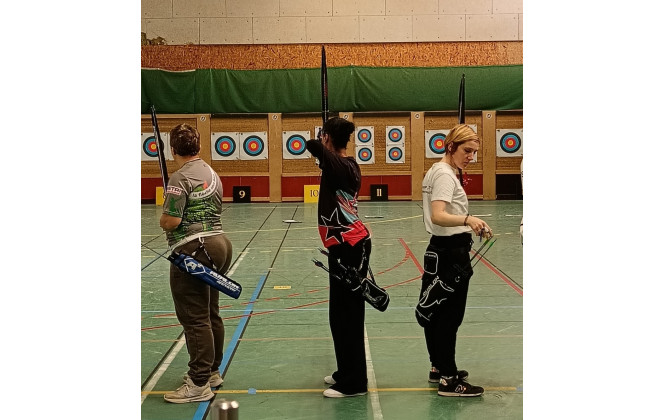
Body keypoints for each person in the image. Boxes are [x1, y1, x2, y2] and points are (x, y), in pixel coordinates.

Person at [159, 123, 233, 403]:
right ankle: (211, 371)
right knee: (210, 312)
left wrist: (163, 216)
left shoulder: (180, 177)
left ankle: (199, 382)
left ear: (173, 150)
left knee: (194, 317)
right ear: (199, 146)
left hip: (193, 249)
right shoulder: (210, 172)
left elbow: (171, 220)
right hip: (219, 244)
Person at [417, 123, 492, 397]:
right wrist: (469, 220)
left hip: (439, 250)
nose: (471, 157)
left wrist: (469, 223)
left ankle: (439, 366)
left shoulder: (436, 170)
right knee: (449, 317)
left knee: (435, 311)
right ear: (451, 147)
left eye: (474, 152)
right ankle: (449, 380)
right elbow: (438, 215)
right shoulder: (445, 175)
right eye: (467, 151)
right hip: (450, 253)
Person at [306, 117, 372, 398]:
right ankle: (346, 370)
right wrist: (326, 143)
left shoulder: (343, 165)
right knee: (339, 314)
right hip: (343, 247)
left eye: (325, 136)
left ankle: (355, 382)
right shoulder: (341, 166)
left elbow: (311, 146)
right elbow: (322, 154)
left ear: (328, 138)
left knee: (348, 315)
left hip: (350, 247)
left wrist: (322, 143)